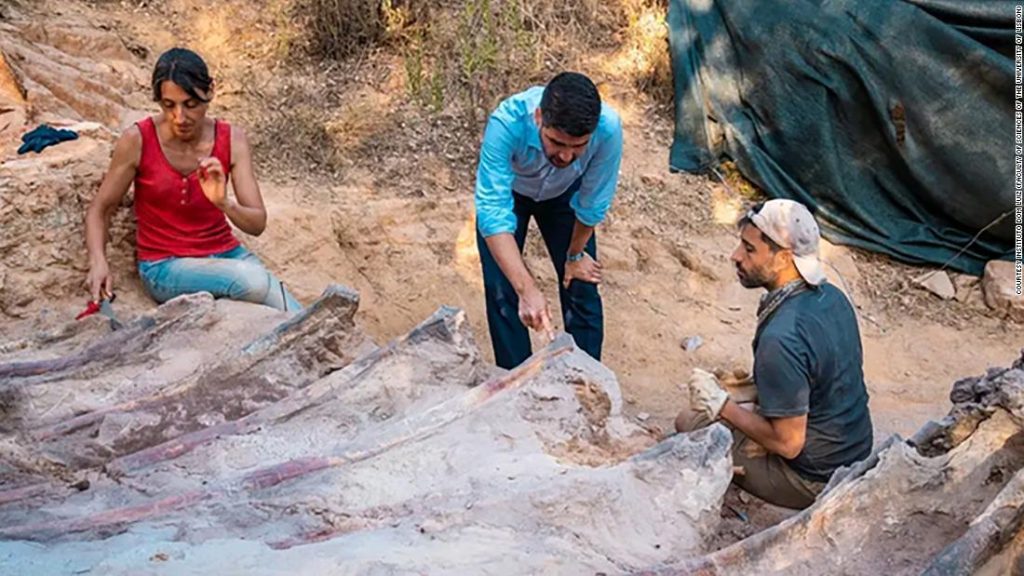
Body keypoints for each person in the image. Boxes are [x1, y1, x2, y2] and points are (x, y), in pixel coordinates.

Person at [677, 199, 873, 509]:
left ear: (783, 258)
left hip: (814, 478)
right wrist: (740, 390)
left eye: (749, 249)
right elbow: (816, 375)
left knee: (690, 421)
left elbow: (789, 444)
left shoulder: (781, 338)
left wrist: (722, 405)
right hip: (854, 450)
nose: (735, 256)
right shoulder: (832, 297)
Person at [84, 47, 301, 311]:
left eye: (191, 105)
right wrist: (98, 261)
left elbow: (257, 224)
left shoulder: (232, 139)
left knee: (299, 315)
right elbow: (101, 208)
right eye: (168, 105)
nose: (180, 117)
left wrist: (223, 203)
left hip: (228, 255)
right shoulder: (138, 140)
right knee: (255, 282)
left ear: (210, 91)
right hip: (165, 266)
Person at [475, 72, 623, 369]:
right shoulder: (506, 124)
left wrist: (575, 255)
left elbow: (592, 202)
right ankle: (515, 382)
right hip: (513, 194)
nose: (566, 156)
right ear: (539, 117)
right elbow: (493, 212)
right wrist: (527, 289)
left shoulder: (608, 130)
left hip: (566, 195)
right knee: (505, 289)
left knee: (582, 283)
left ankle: (588, 382)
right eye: (556, 142)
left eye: (578, 146)